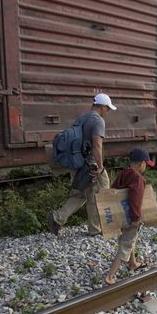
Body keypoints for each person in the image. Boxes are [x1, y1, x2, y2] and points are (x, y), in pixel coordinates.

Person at [49, 94, 115, 236]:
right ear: (102, 107)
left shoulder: (82, 118)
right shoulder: (98, 121)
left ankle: (57, 218)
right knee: (99, 193)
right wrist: (100, 166)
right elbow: (97, 145)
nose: (107, 112)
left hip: (77, 162)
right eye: (107, 109)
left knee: (79, 195)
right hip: (90, 164)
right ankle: (95, 229)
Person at [104, 147, 154, 285]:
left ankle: (133, 263)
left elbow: (113, 191)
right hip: (131, 217)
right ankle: (110, 276)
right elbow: (136, 200)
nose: (145, 167)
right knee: (126, 244)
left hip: (119, 215)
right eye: (145, 164)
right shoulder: (138, 179)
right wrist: (136, 218)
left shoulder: (122, 174)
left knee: (129, 239)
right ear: (141, 164)